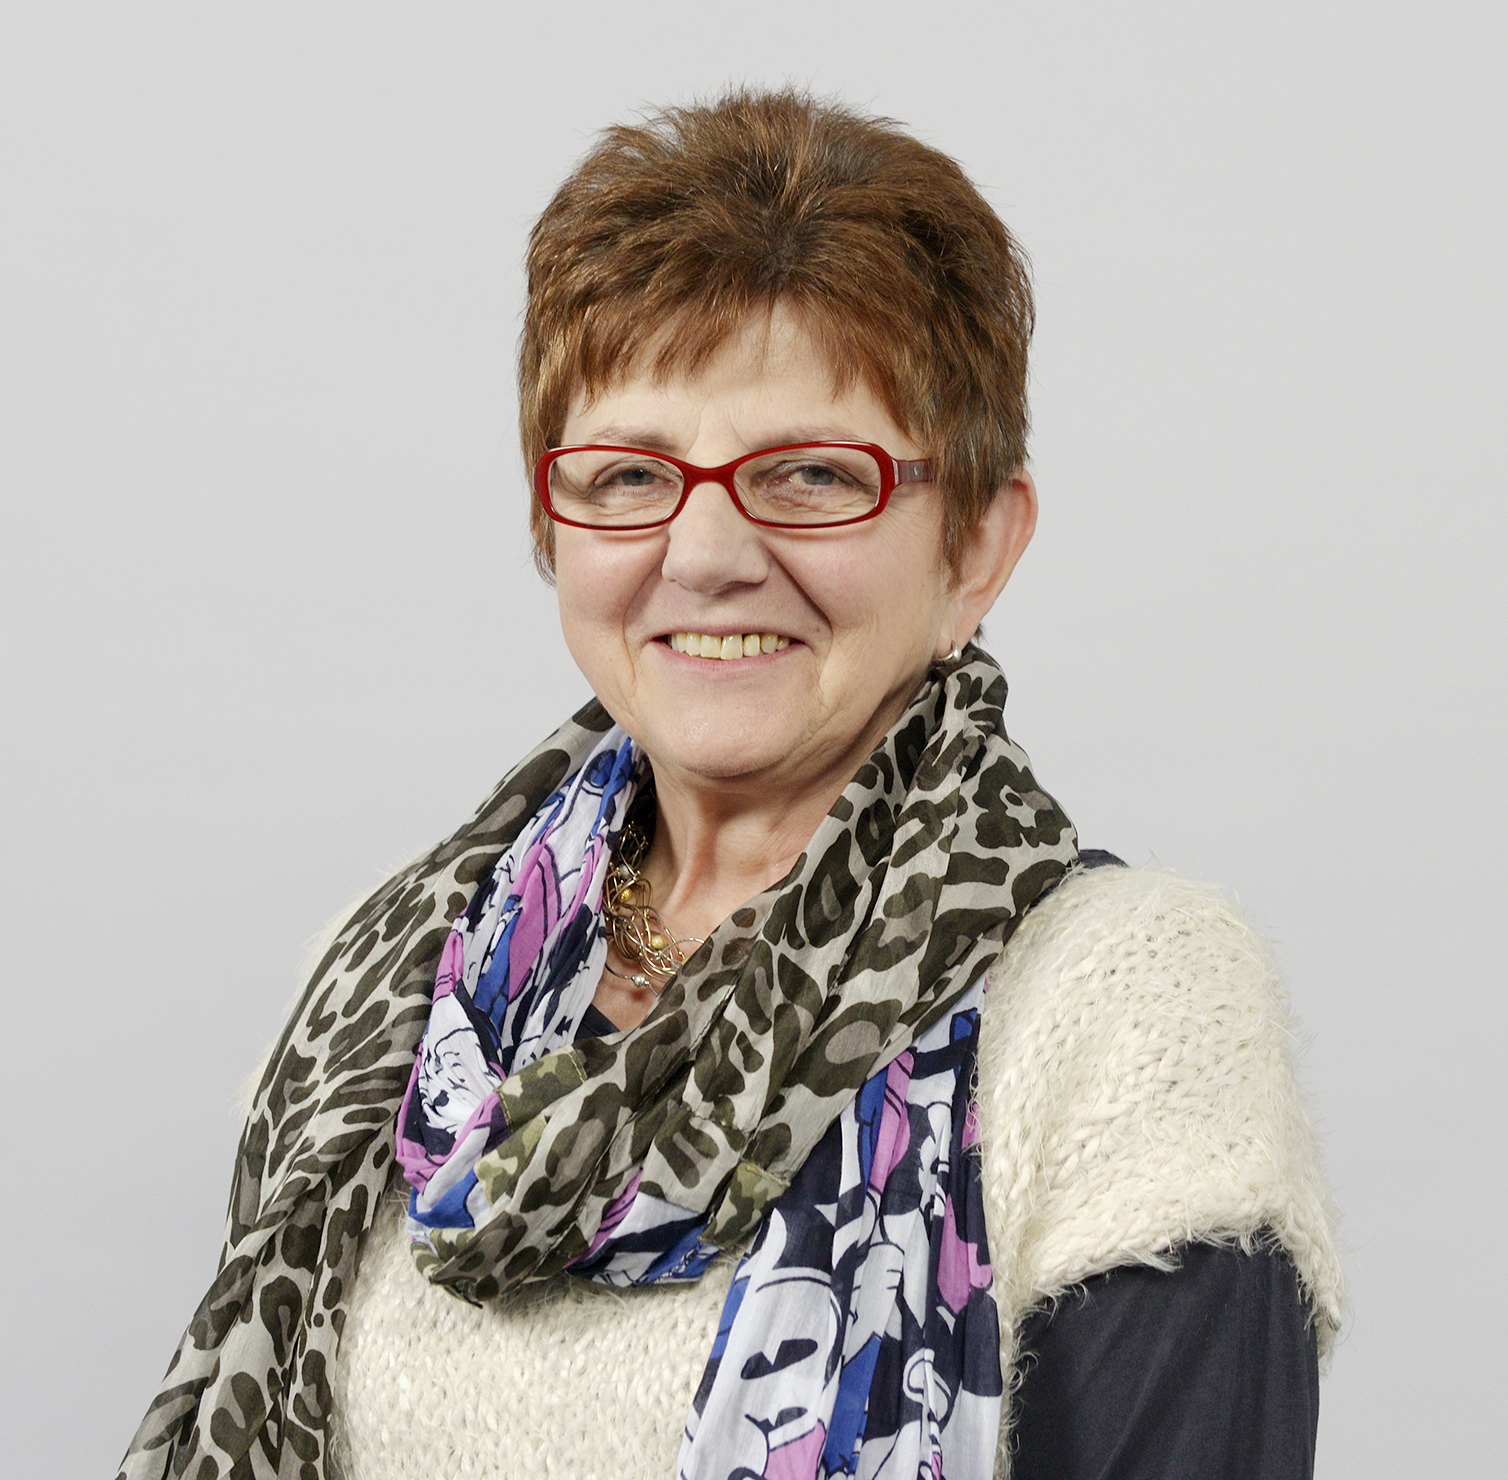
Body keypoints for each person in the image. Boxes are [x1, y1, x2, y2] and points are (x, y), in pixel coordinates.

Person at [118, 89, 1341, 1480]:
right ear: (554, 524)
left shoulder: (1127, 1010)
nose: (704, 555)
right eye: (630, 475)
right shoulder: (386, 982)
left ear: (978, 549)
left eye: (812, 475)